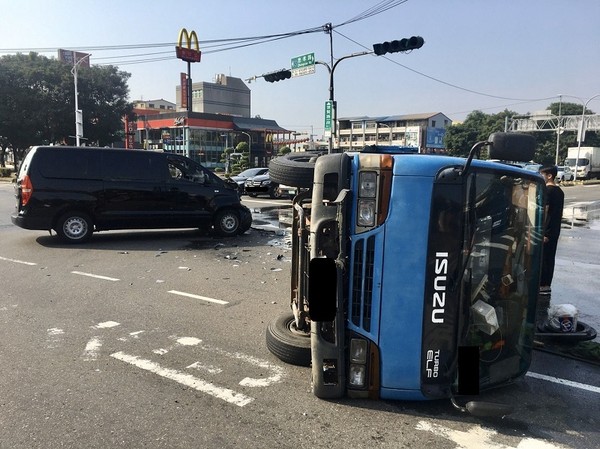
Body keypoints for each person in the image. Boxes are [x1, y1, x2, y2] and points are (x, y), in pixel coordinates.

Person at [539, 165, 565, 296]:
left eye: (542, 174)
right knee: (550, 257)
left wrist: (541, 231)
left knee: (543, 258)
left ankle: (543, 285)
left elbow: (545, 211)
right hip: (554, 230)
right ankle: (546, 284)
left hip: (547, 231)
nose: (540, 177)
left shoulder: (548, 191)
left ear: (549, 176)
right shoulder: (559, 191)